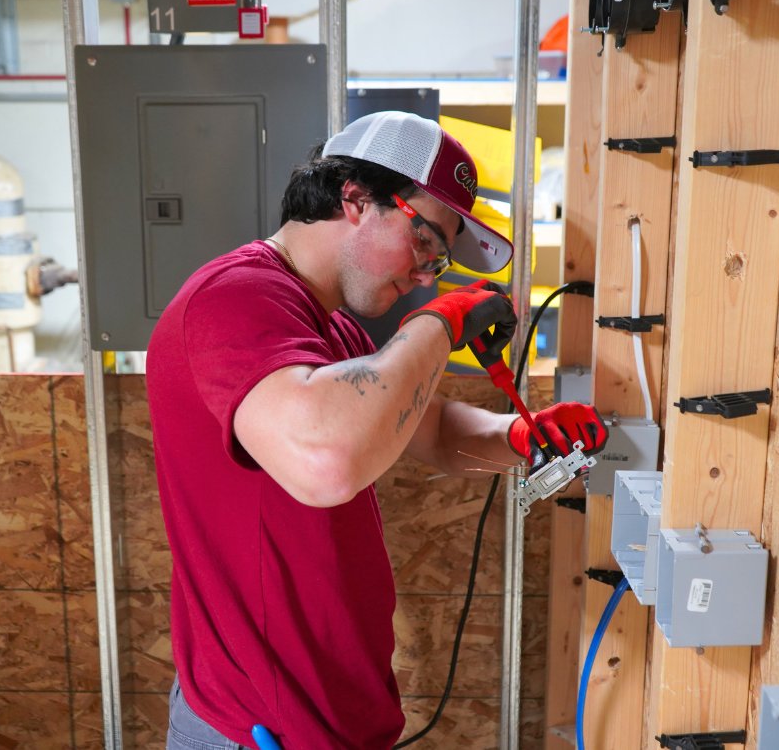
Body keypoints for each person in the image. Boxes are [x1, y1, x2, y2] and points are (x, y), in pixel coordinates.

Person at [146, 111, 607, 750]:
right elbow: (327, 463)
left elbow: (427, 428)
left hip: (331, 715)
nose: (427, 274)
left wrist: (518, 437)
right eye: (427, 242)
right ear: (356, 199)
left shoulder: (331, 326)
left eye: (440, 261)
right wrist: (439, 324)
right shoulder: (235, 297)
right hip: (260, 729)